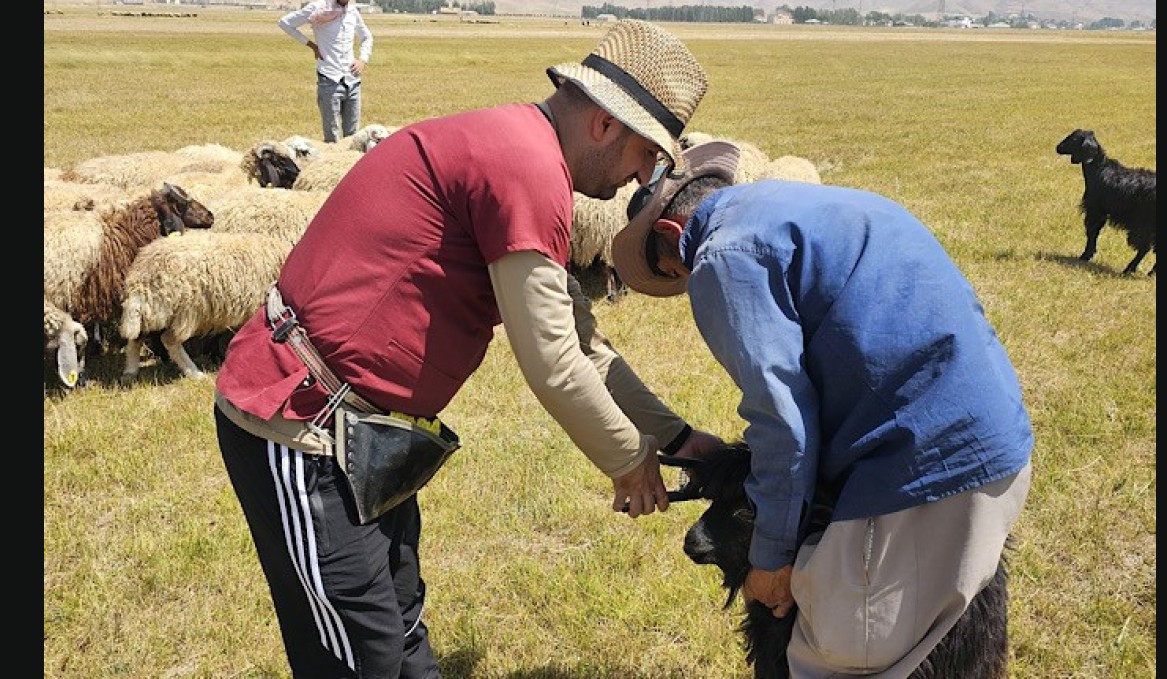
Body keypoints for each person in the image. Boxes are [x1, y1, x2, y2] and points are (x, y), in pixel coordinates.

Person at [214, 20, 720, 678]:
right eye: (646, 154)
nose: (642, 176)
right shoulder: (525, 166)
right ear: (604, 124)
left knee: (399, 629)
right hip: (300, 429)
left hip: (366, 437)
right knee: (358, 653)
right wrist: (630, 460)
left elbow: (578, 339)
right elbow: (554, 363)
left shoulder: (519, 151)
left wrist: (679, 439)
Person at [612, 141, 1035, 678]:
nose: (687, 283)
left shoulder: (723, 253)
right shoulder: (836, 210)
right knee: (940, 654)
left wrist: (769, 561)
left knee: (829, 657)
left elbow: (784, 428)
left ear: (674, 237)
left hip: (921, 476)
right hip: (996, 450)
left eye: (675, 273)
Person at [279, 0, 374, 144]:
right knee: (331, 137)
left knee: (354, 137)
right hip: (329, 78)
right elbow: (285, 23)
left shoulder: (353, 11)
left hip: (352, 79)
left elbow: (366, 37)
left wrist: (362, 59)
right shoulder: (318, 8)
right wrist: (311, 45)